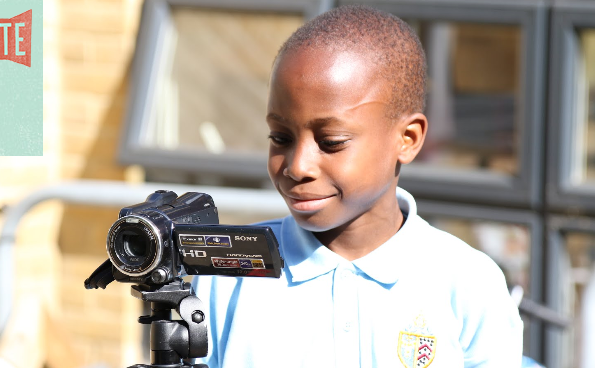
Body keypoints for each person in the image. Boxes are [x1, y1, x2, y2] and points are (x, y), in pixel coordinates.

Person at [191, 4, 523, 368]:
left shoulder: (468, 282)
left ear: (408, 139)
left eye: (331, 142)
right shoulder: (227, 273)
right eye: (280, 137)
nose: (298, 166)